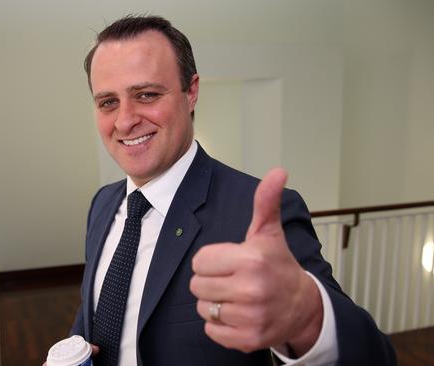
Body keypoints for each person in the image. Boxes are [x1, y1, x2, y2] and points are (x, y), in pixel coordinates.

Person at [67, 15, 396, 366]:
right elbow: (100, 311)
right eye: (108, 102)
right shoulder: (102, 204)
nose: (125, 120)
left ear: (191, 91)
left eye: (146, 95)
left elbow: (374, 359)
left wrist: (308, 318)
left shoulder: (258, 213)